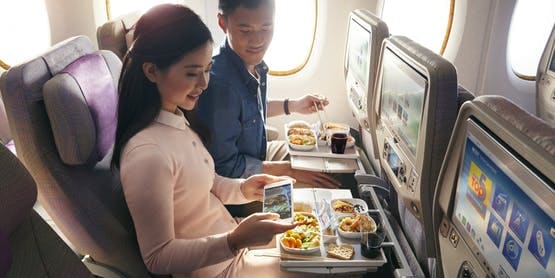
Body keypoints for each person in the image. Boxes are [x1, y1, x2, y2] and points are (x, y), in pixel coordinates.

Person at [111, 4, 313, 277]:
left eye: (207, 69)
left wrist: (244, 188)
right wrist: (235, 241)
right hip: (219, 268)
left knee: (322, 238)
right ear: (151, 71)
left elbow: (205, 183)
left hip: (231, 240)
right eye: (192, 73)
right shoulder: (147, 155)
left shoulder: (176, 120)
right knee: (331, 268)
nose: (205, 83)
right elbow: (157, 257)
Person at [194, 0, 340, 193]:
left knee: (327, 162)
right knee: (328, 190)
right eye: (245, 31)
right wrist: (289, 170)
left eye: (266, 28)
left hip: (258, 156)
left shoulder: (252, 64)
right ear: (223, 23)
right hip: (240, 187)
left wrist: (293, 105)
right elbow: (226, 168)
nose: (257, 41)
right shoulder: (221, 87)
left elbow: (249, 113)